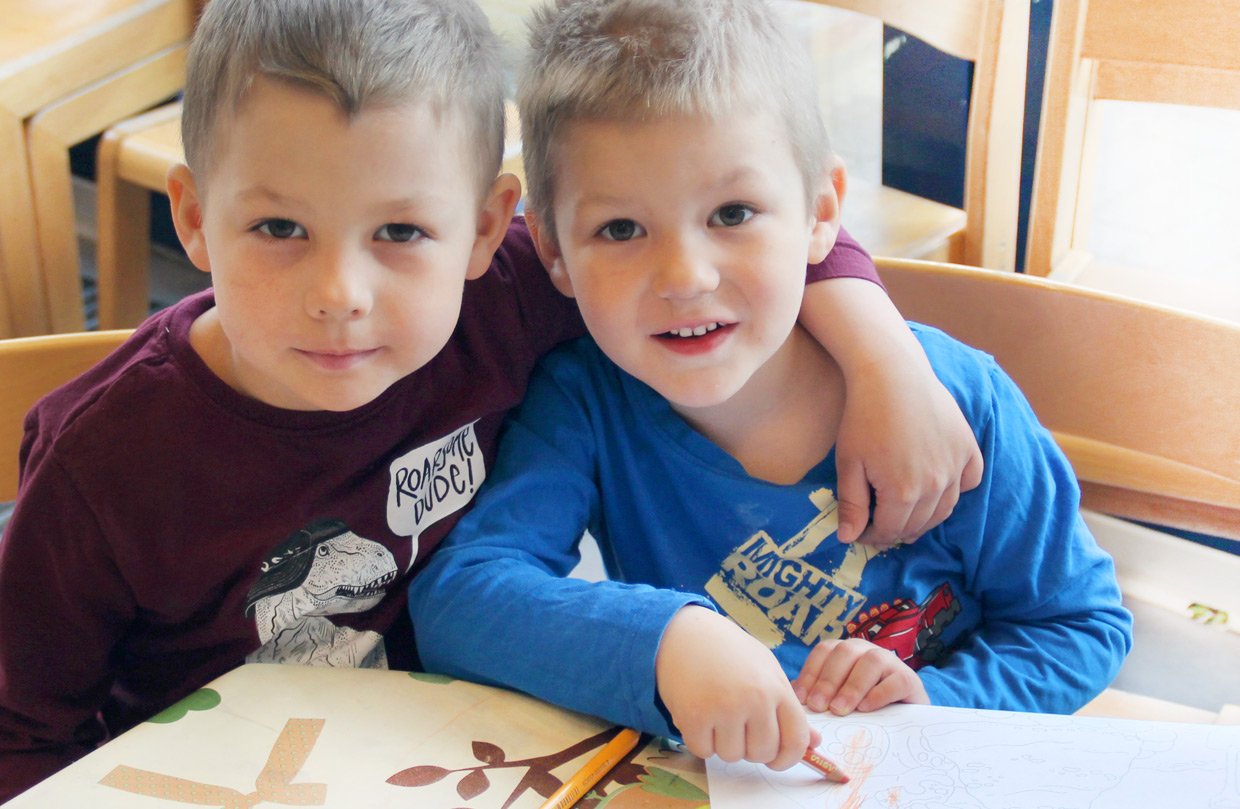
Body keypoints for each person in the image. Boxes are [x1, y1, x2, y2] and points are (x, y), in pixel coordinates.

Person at [0, 0, 984, 800]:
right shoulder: (103, 462)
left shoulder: (507, 292)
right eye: (279, 227)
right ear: (192, 216)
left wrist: (884, 359)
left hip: (476, 759)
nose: (340, 292)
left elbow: (742, 224)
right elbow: (18, 731)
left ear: (485, 228)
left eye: (399, 232)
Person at [408, 0, 1134, 774]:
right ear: (554, 252)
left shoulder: (961, 400)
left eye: (733, 213)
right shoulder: (583, 402)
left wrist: (934, 703)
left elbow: (1079, 626)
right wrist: (669, 641)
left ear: (820, 213)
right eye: (620, 229)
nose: (685, 276)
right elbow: (461, 602)